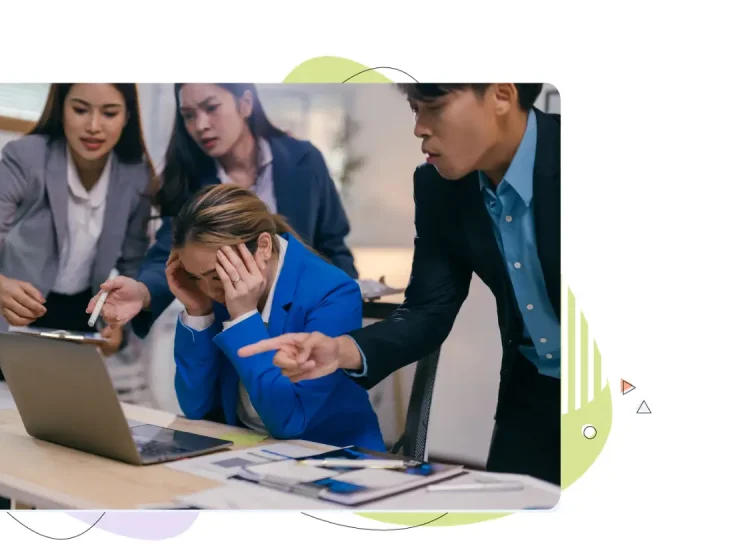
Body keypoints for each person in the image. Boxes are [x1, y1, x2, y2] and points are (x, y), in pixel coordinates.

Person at [239, 83, 561, 485]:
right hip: (530, 393)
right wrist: (342, 349)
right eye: (414, 110)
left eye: (434, 108)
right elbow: (428, 310)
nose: (419, 128)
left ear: (500, 95)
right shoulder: (441, 187)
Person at [0, 83, 155, 508]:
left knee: (68, 454)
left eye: (110, 113)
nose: (94, 126)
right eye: (80, 109)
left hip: (76, 315)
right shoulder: (26, 157)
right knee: (2, 457)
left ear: (128, 116)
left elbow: (133, 266)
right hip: (6, 314)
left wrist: (118, 322)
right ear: (60, 108)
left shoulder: (135, 175)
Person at [85, 83, 358, 337]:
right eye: (188, 115)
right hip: (225, 330)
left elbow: (332, 245)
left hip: (303, 322)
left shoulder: (304, 161)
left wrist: (340, 307)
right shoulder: (189, 179)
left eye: (211, 108)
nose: (200, 125)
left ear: (246, 103)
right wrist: (143, 292)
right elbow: (169, 255)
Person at [167, 183, 383, 450]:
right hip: (248, 448)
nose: (210, 289)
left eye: (216, 275)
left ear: (263, 246)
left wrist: (243, 316)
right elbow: (195, 408)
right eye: (195, 277)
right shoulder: (215, 292)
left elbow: (289, 421)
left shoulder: (333, 293)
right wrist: (198, 313)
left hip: (327, 455)